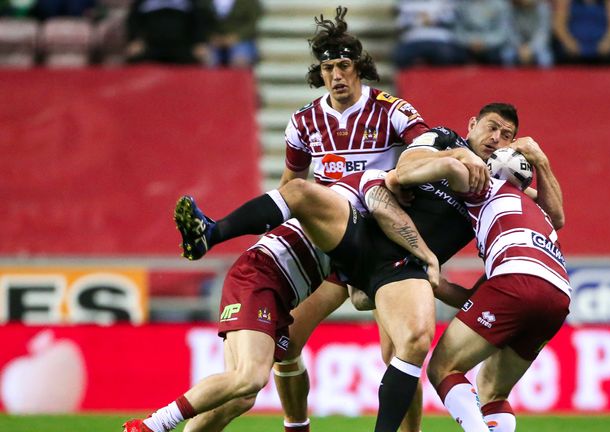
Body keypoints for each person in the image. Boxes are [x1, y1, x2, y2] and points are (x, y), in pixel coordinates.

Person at [163, 103, 563, 431]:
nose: (497, 140)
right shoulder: (444, 138)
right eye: (492, 128)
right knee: (274, 357)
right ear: (472, 124)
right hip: (373, 232)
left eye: (507, 136)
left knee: (409, 347)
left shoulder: (495, 182)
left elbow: (553, 216)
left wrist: (541, 163)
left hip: (404, 268)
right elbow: (405, 170)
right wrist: (454, 157)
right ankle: (212, 234)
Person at [187, 6, 432, 432]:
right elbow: (291, 186)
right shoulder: (304, 121)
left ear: (359, 68)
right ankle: (296, 424)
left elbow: (423, 148)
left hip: (379, 246)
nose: (336, 75)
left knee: (398, 354)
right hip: (333, 243)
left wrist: (406, 177)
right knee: (286, 345)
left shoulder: (391, 110)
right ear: (319, 73)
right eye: (328, 67)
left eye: (343, 65)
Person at [122, 170, 439, 432]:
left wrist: (392, 283)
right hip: (260, 276)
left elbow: (357, 298)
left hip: (276, 293)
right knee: (250, 377)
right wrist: (423, 256)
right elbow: (308, 192)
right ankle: (152, 426)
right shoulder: (360, 193)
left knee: (241, 396)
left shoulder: (361, 245)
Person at [391, 126, 568, 431]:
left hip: (515, 281)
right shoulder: (536, 214)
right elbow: (480, 298)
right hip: (557, 295)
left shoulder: (486, 187)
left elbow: (450, 169)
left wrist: (396, 178)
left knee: (443, 368)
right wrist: (436, 283)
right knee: (493, 392)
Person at [125, 0, 212, 65]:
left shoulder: (190, 3)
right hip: (151, 47)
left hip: (181, 48)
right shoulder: (142, 2)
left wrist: (199, 42)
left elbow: (198, 22)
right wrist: (134, 40)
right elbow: (133, 21)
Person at [393, 0, 467, 69]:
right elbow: (401, 24)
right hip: (413, 39)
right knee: (401, 56)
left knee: (449, 56)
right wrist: (419, 20)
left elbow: (452, 19)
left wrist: (433, 19)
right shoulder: (406, 2)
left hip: (441, 39)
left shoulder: (448, 2)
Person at [552, 0, 610, 65]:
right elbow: (559, 25)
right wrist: (568, 42)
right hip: (573, 47)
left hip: (602, 47)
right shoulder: (566, 2)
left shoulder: (609, 3)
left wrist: (608, 41)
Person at [453, 0, 515, 66]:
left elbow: (503, 32)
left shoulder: (501, 4)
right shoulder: (462, 5)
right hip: (467, 46)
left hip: (493, 47)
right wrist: (471, 41)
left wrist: (484, 42)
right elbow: (458, 31)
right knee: (452, 55)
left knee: (500, 56)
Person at [208, 0, 261, 68]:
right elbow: (202, 21)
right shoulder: (206, 2)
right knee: (208, 57)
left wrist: (237, 36)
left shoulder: (249, 2)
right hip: (215, 40)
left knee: (240, 59)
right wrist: (211, 36)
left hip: (242, 39)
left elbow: (254, 22)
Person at [509, 0, 554, 68]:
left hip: (537, 45)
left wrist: (530, 48)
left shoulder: (543, 8)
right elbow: (511, 32)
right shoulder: (512, 8)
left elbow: (543, 33)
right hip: (518, 46)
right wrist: (520, 47)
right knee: (507, 55)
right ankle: (511, 78)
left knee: (545, 58)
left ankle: (544, 78)